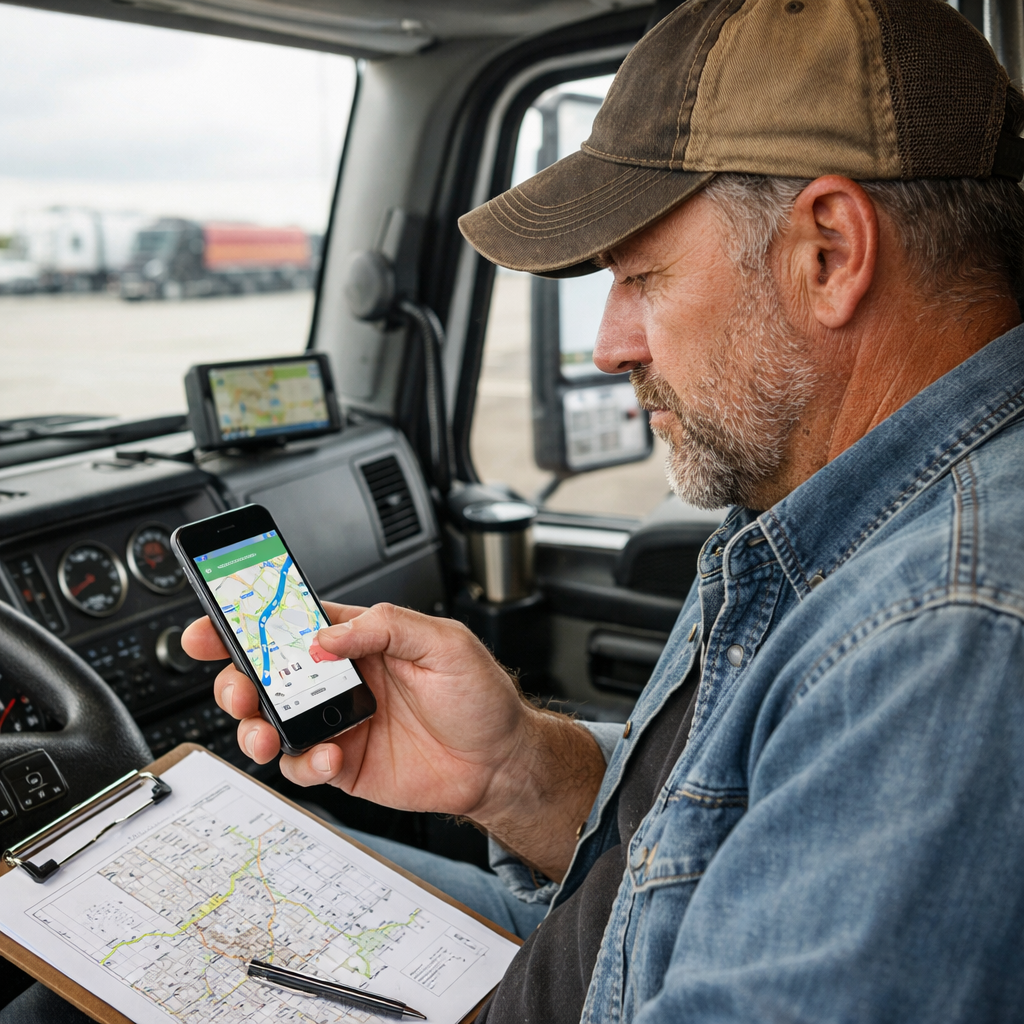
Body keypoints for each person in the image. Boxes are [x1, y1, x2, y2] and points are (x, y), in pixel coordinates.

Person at [4, 0, 1023, 1021]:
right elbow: (699, 844)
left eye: (642, 277)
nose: (610, 346)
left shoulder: (944, 636)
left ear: (829, 252)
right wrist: (510, 769)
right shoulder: (822, 491)